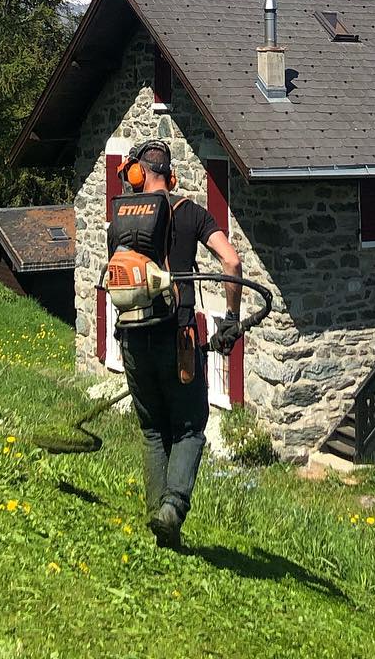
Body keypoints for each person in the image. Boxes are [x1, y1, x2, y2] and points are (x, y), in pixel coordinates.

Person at [112, 139, 242, 549]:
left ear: (136, 175)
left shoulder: (122, 217)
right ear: (171, 176)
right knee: (188, 428)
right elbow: (232, 261)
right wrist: (232, 319)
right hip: (179, 337)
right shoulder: (191, 213)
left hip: (132, 339)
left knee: (153, 429)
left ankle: (159, 522)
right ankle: (172, 510)